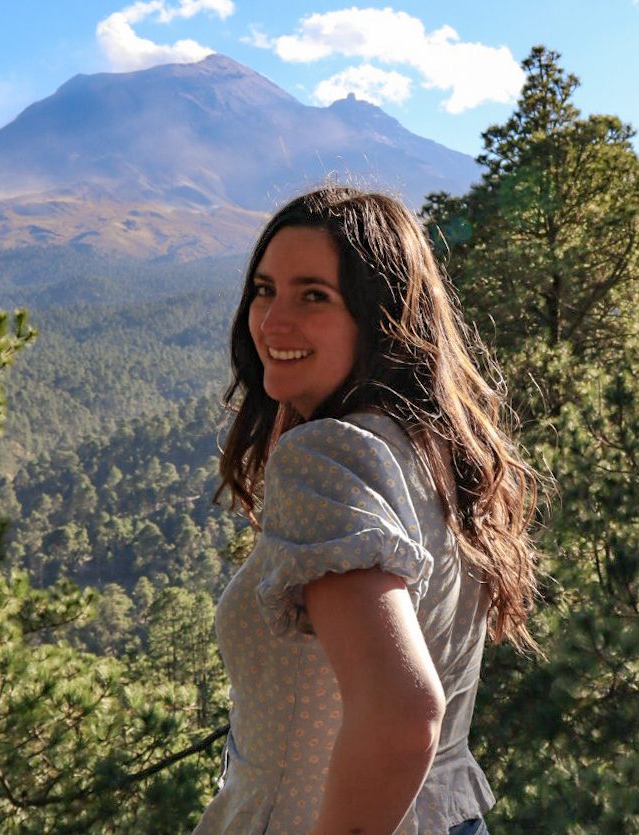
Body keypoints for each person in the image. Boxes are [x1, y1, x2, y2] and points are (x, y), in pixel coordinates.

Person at [193, 186, 540, 835]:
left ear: (380, 314)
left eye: (313, 295)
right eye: (264, 289)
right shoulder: (434, 453)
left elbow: (402, 716)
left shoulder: (326, 456)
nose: (271, 322)